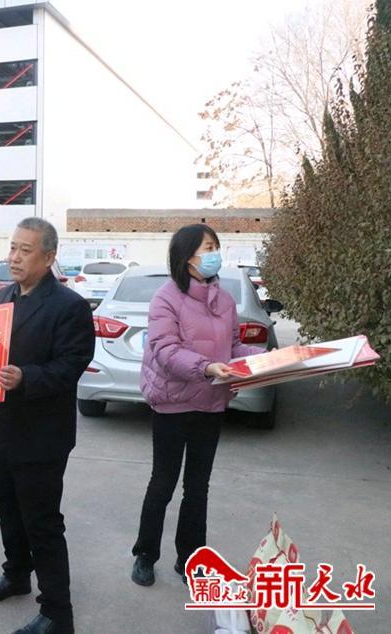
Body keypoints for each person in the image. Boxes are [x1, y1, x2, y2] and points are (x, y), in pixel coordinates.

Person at [0, 217, 94, 634]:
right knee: (8, 511)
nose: (15, 257)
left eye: (25, 250)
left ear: (48, 257)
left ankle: (57, 612)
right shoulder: (4, 296)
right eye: (12, 248)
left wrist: (27, 377)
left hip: (42, 435)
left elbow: (72, 365)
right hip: (3, 425)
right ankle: (16, 574)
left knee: (42, 523)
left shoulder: (69, 306)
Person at [131, 224, 265, 587]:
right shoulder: (166, 298)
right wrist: (206, 367)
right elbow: (165, 350)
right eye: (207, 247)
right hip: (173, 404)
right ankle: (145, 555)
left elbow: (233, 348)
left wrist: (267, 358)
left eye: (216, 246)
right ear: (186, 255)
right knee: (163, 483)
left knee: (198, 486)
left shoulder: (225, 301)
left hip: (211, 403)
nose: (214, 254)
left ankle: (190, 560)